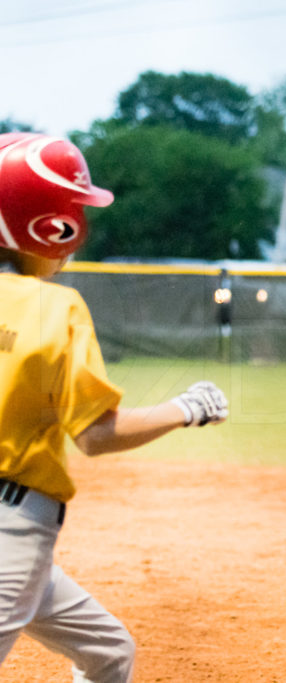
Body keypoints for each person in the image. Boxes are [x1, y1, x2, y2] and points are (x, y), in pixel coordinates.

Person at [0, 132, 229, 682]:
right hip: (12, 533)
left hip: (18, 541)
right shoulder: (53, 306)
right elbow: (95, 435)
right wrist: (187, 407)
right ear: (47, 223)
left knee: (109, 651)